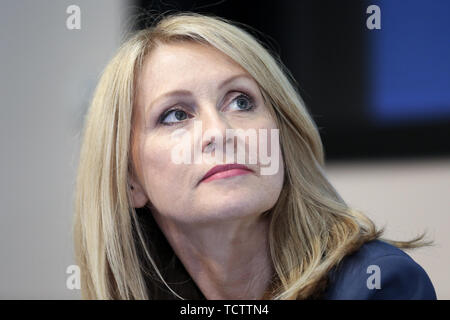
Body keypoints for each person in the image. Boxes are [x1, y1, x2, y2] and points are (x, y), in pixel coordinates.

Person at [73, 12, 437, 300]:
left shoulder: (379, 285)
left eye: (241, 101)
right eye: (176, 115)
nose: (220, 132)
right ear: (130, 181)